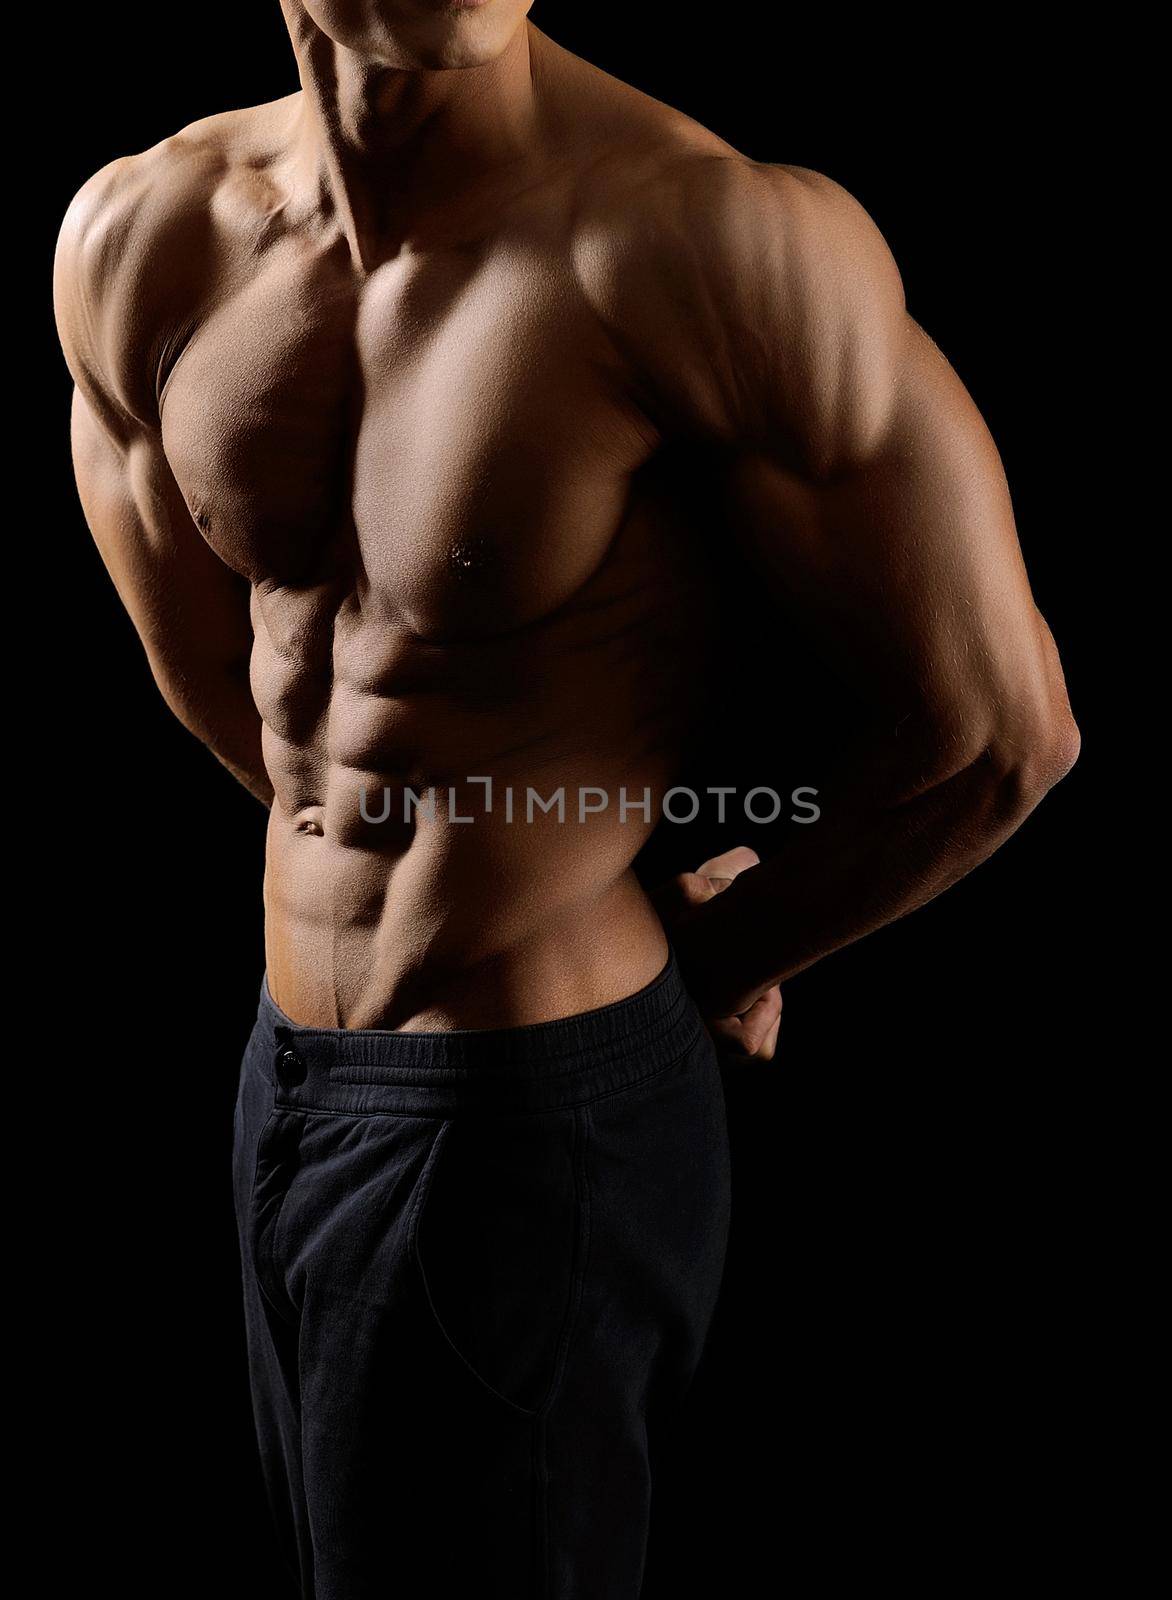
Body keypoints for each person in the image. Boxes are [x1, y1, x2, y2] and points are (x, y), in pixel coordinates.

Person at [53, 5, 1079, 1595]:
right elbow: (224, 689)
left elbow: (999, 734)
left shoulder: (700, 240)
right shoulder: (148, 234)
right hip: (287, 1075)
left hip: (530, 1119)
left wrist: (726, 948)